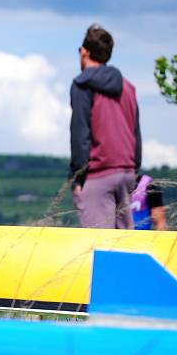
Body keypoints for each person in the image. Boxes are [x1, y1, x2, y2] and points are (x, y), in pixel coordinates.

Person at [69, 24, 141, 229]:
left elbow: (80, 132)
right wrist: (133, 170)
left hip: (99, 173)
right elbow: (136, 132)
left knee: (97, 245)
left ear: (85, 51)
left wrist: (77, 177)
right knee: (124, 247)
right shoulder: (129, 87)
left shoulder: (82, 84)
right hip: (127, 172)